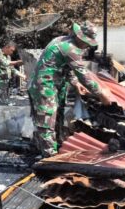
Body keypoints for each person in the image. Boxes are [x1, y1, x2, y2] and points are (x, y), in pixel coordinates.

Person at [28, 22, 113, 157]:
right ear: (80, 37)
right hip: (44, 85)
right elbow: (83, 74)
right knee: (46, 120)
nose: (86, 46)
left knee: (57, 117)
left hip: (55, 84)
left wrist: (75, 83)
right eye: (86, 42)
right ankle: (50, 158)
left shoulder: (63, 40)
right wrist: (100, 93)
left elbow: (68, 68)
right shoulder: (70, 48)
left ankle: (54, 146)